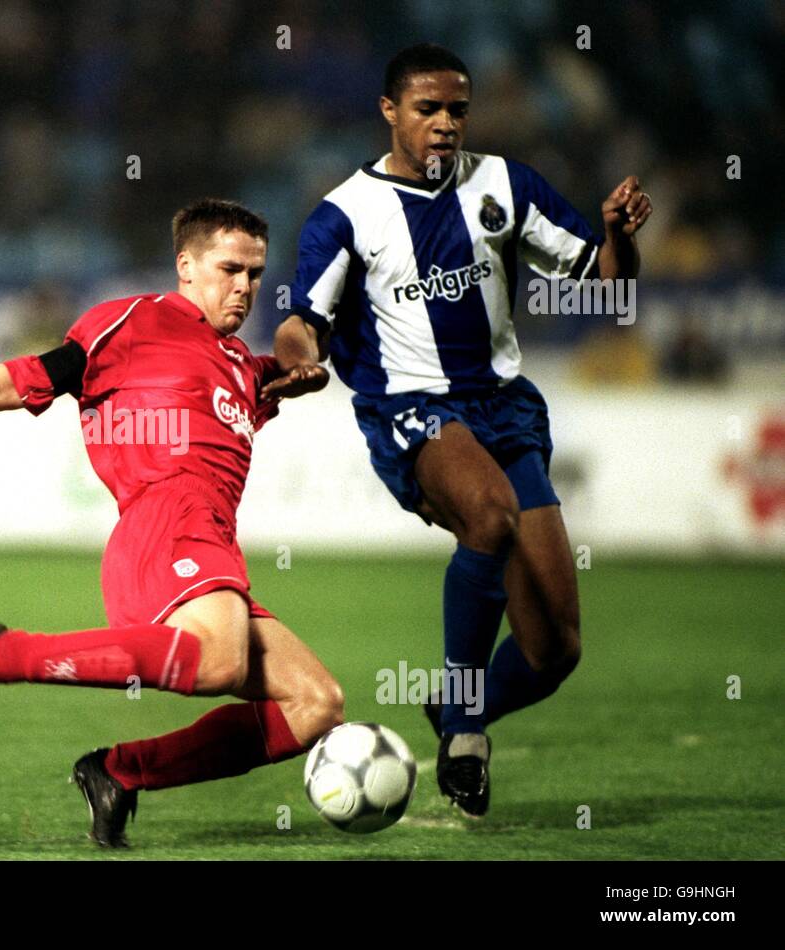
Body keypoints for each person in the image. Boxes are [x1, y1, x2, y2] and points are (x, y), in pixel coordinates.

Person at [0, 198, 339, 847]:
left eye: (256, 274)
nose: (245, 287)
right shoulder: (135, 322)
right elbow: (35, 375)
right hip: (163, 522)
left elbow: (291, 357)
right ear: (186, 266)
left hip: (212, 539)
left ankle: (119, 772)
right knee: (221, 664)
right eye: (230, 269)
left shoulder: (236, 363)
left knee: (315, 705)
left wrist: (300, 372)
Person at [275, 44, 652, 816]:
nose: (446, 124)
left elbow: (605, 284)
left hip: (504, 407)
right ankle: (467, 725)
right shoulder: (345, 212)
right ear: (390, 112)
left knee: (555, 651)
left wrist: (620, 235)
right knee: (488, 512)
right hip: (410, 409)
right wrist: (301, 361)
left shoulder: (504, 184)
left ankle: (450, 711)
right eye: (428, 110)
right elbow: (299, 322)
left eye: (458, 110)